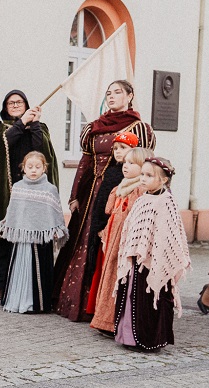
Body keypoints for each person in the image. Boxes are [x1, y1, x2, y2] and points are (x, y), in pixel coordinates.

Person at [53, 80, 155, 322]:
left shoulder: (139, 128)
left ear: (130, 96)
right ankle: (74, 303)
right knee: (81, 242)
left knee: (108, 245)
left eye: (118, 92)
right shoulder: (95, 127)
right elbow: (86, 162)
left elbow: (143, 163)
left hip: (120, 192)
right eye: (108, 93)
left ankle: (104, 308)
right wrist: (75, 194)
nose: (112, 96)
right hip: (91, 195)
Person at [0, 91, 58, 301]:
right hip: (8, 191)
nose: (15, 105)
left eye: (19, 102)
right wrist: (21, 123)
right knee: (6, 241)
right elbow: (0, 145)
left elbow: (42, 148)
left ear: (26, 104)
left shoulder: (39, 127)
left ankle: (31, 286)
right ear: (5, 106)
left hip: (33, 192)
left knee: (31, 241)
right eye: (11, 102)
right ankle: (2, 285)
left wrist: (34, 124)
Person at [114, 157, 190, 351]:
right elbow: (132, 228)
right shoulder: (142, 199)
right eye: (142, 174)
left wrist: (157, 255)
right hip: (136, 259)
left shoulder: (166, 202)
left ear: (163, 180)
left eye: (149, 175)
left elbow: (169, 235)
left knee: (149, 300)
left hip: (155, 261)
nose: (143, 179)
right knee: (133, 298)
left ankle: (149, 339)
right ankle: (129, 337)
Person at [88, 146, 152, 333]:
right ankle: (104, 320)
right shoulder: (121, 187)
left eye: (132, 163)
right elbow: (111, 212)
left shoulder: (140, 191)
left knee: (121, 280)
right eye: (126, 162)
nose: (126, 166)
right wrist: (105, 233)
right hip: (113, 241)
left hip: (127, 243)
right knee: (109, 279)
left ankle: (117, 321)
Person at [0, 151, 69, 313]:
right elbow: (13, 212)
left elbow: (55, 212)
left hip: (41, 239)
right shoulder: (18, 187)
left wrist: (54, 230)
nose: (33, 170)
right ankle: (16, 299)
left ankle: (36, 303)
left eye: (37, 167)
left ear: (44, 168)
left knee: (38, 270)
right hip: (22, 239)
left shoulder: (50, 189)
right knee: (20, 269)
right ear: (23, 168)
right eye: (29, 167)